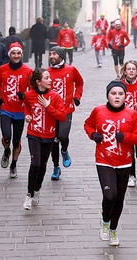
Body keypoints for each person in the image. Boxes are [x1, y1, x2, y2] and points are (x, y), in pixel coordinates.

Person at [84, 80, 137, 246]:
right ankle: (105, 222)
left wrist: (126, 137)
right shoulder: (98, 111)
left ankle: (113, 229)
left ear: (125, 96)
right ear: (107, 95)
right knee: (109, 195)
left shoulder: (131, 114)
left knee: (119, 198)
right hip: (104, 160)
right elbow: (88, 125)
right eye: (113, 93)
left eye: (120, 94)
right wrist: (93, 135)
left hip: (124, 162)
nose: (117, 97)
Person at [23, 68, 67, 210]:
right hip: (34, 133)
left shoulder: (54, 97)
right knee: (35, 163)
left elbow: (62, 116)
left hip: (49, 135)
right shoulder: (29, 95)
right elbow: (27, 107)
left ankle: (37, 190)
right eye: (47, 78)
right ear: (38, 82)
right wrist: (27, 116)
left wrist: (48, 106)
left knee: (42, 165)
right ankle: (29, 195)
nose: (50, 80)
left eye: (50, 77)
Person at [0, 42, 33, 178]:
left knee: (16, 141)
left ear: (21, 55)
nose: (16, 56)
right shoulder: (2, 69)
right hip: (5, 108)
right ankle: (6, 152)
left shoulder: (28, 71)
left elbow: (33, 90)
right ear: (9, 55)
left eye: (18, 53)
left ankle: (13, 165)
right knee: (6, 136)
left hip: (20, 111)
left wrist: (26, 96)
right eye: (13, 53)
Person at [47, 46, 84, 180]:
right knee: (53, 140)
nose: (51, 56)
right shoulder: (47, 72)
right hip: (51, 111)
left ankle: (64, 150)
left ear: (61, 56)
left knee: (63, 135)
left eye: (54, 54)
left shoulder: (71, 70)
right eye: (50, 54)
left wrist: (77, 96)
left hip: (66, 109)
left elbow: (79, 83)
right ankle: (56, 167)